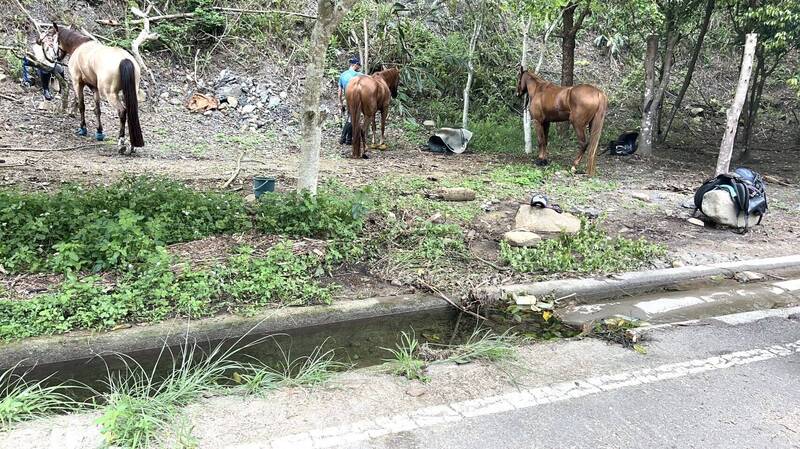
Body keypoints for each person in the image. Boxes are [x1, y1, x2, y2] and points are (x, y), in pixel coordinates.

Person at [338, 57, 363, 145]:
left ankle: (348, 139)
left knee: (351, 117)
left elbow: (340, 91)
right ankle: (343, 138)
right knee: (352, 118)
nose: (359, 67)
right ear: (355, 65)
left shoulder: (343, 75)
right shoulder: (359, 75)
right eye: (358, 65)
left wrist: (340, 102)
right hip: (355, 98)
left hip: (346, 98)